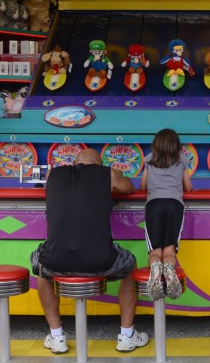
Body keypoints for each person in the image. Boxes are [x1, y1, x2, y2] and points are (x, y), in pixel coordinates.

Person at [31, 148, 149, 354]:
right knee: (130, 265)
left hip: (56, 260)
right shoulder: (107, 173)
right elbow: (128, 187)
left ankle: (57, 336)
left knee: (42, 268)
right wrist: (115, 175)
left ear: (76, 161)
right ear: (100, 163)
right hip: (100, 261)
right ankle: (127, 335)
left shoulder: (53, 173)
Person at [139, 128, 192, 300]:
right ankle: (169, 270)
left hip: (154, 205)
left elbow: (142, 186)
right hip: (174, 205)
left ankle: (155, 269)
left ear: (155, 145)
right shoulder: (181, 160)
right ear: (177, 146)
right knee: (169, 250)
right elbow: (188, 187)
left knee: (155, 251)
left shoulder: (149, 159)